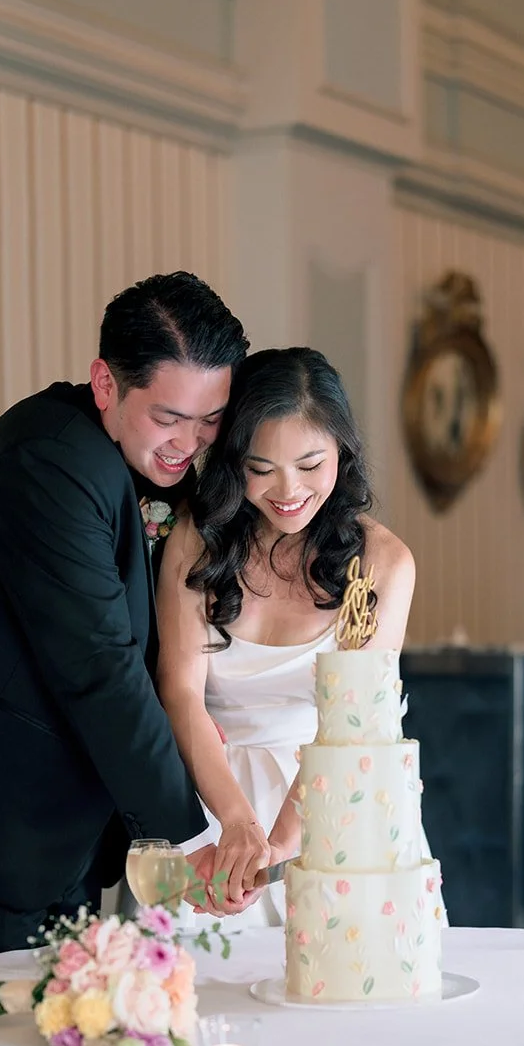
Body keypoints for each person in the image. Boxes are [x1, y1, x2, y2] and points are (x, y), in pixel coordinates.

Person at [0, 272, 248, 979]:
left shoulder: (132, 460)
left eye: (209, 420)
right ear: (105, 384)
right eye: (169, 417)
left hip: (51, 827)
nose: (189, 443)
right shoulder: (51, 464)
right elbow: (98, 667)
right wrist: (191, 835)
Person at [156, 346, 416, 922]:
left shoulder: (382, 564)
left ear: (342, 453)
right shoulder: (198, 542)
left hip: (332, 807)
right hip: (209, 808)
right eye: (261, 468)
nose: (288, 490)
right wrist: (236, 824)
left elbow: (348, 726)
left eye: (310, 464)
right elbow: (180, 693)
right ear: (233, 461)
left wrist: (276, 844)